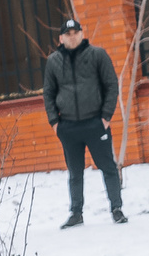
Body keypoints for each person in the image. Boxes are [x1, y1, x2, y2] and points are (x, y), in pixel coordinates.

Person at [43, 18, 126, 228]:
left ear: (81, 34)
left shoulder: (97, 55)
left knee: (108, 167)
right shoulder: (53, 61)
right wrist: (55, 122)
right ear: (61, 38)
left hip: (96, 123)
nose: (72, 37)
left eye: (75, 32)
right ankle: (76, 212)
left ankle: (116, 208)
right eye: (68, 34)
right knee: (75, 172)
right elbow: (49, 93)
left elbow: (111, 85)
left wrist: (106, 116)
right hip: (68, 126)